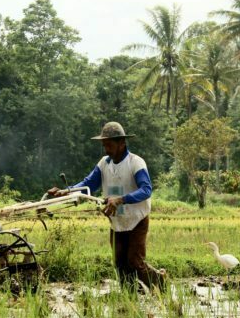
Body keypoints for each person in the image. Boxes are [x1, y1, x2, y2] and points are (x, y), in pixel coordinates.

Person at [48, 122, 166, 291]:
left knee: (135, 262)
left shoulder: (136, 162)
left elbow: (146, 190)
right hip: (117, 222)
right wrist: (66, 191)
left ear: (122, 143)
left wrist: (120, 199)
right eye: (104, 145)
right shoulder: (104, 164)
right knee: (119, 263)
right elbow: (88, 184)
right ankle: (129, 297)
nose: (106, 149)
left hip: (136, 220)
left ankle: (162, 284)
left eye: (110, 145)